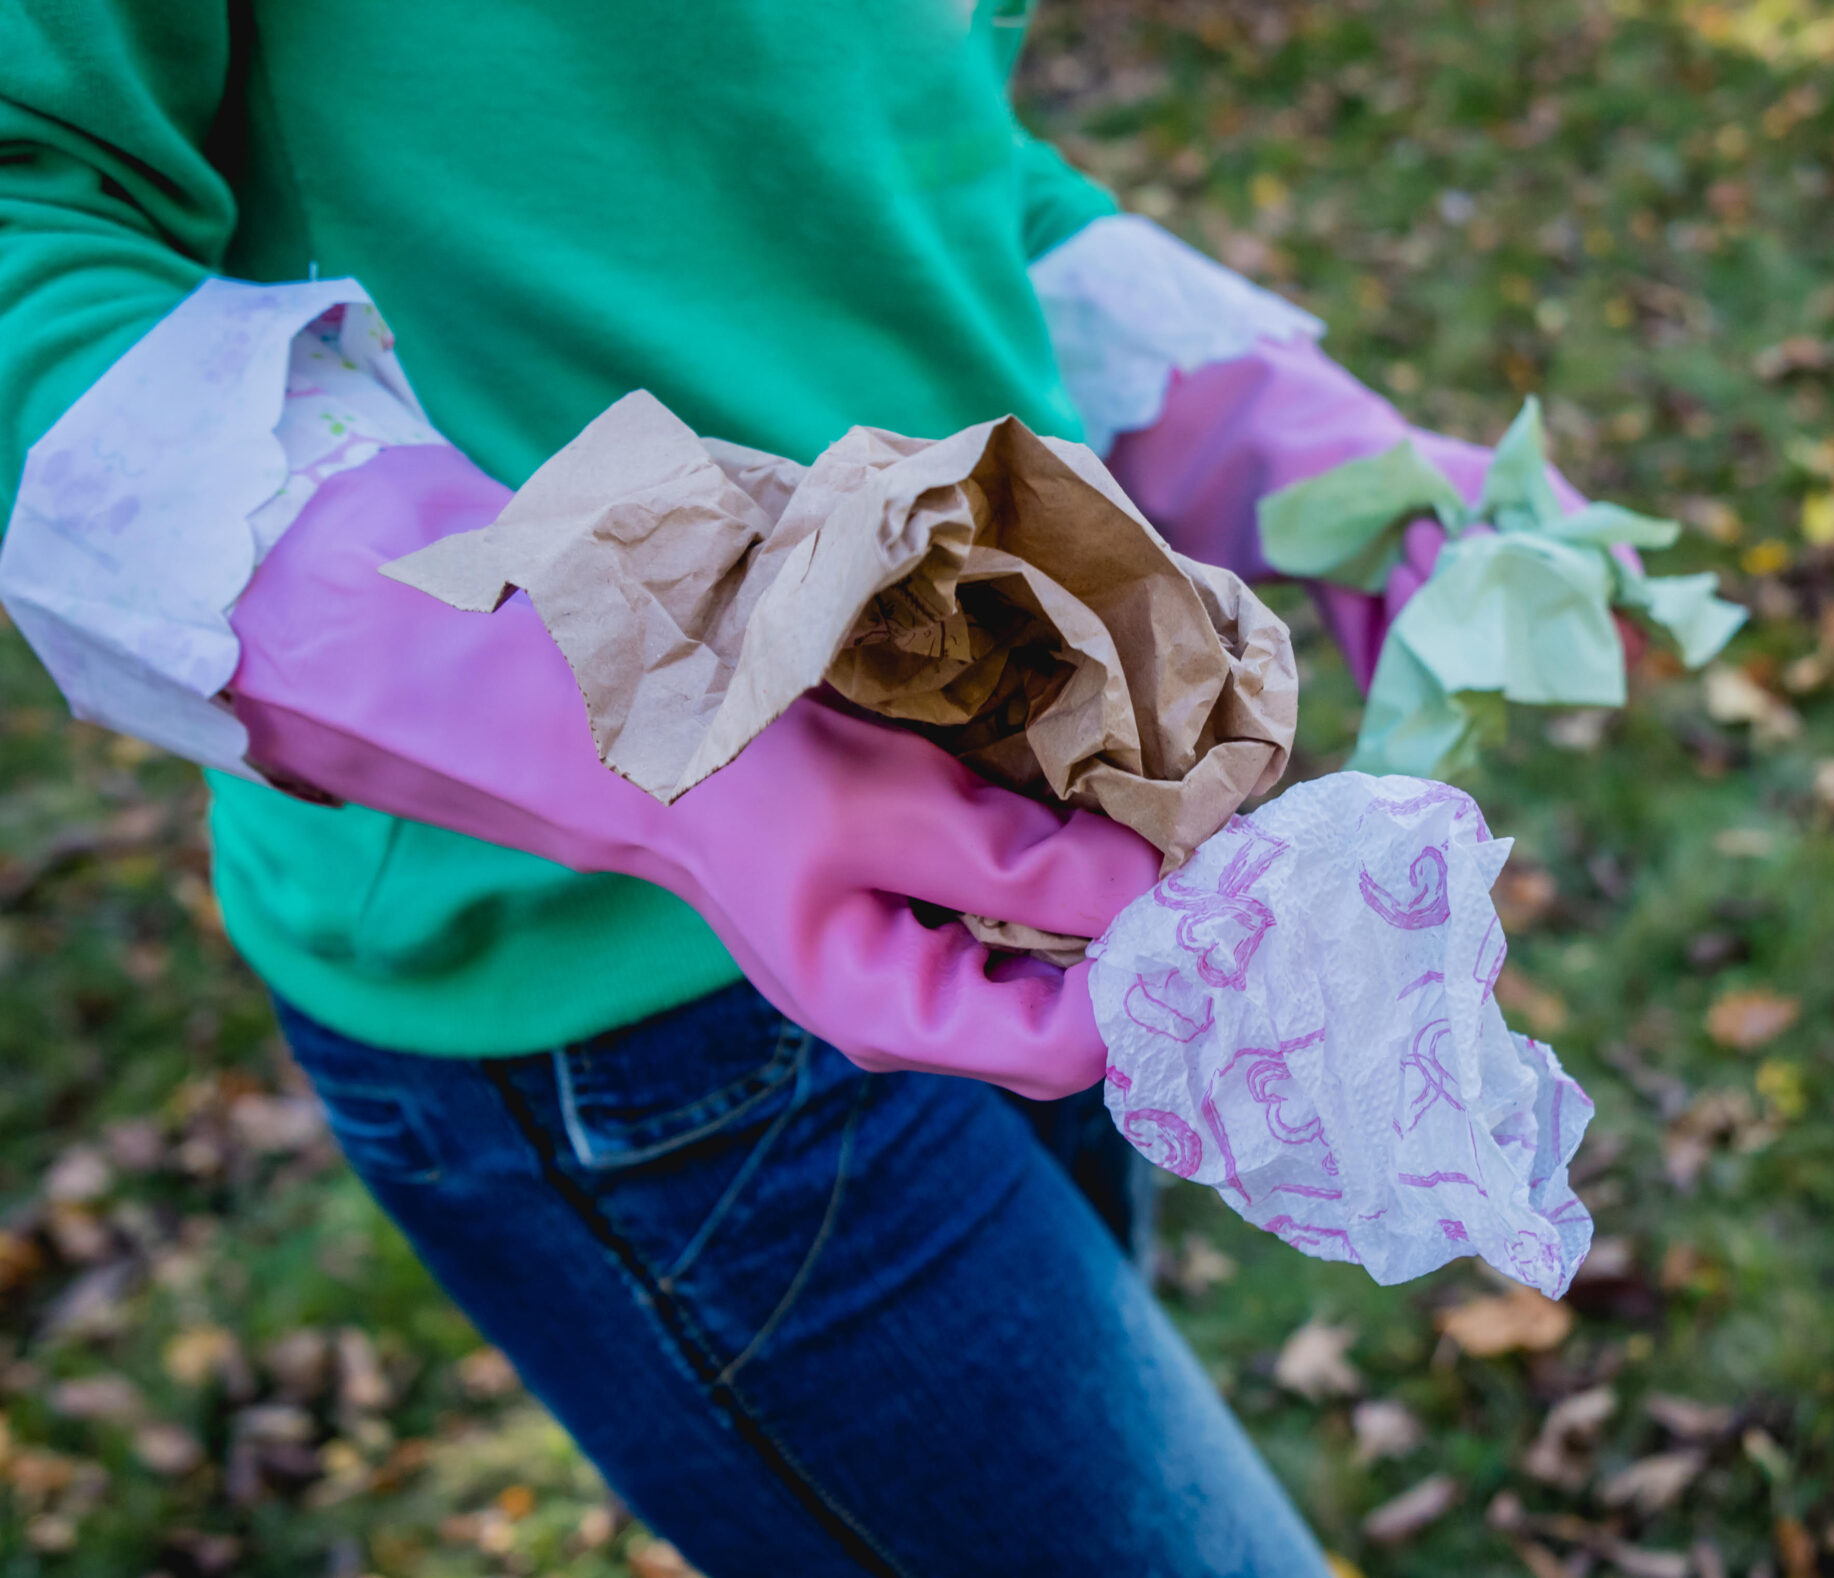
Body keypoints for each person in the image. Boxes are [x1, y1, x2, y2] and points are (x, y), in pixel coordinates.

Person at [0, 2, 1573, 1571]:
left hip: (1043, 866)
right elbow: (32, 233)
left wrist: (1266, 424)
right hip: (625, 1014)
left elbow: (873, 150)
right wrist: (641, 725)